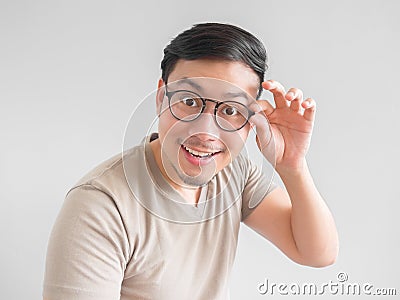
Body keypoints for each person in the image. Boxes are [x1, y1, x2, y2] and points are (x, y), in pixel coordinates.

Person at [43, 22, 339, 300]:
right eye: (188, 102)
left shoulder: (235, 174)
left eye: (230, 110)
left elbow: (316, 253)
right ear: (161, 97)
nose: (205, 131)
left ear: (251, 119)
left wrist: (292, 166)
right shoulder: (101, 206)